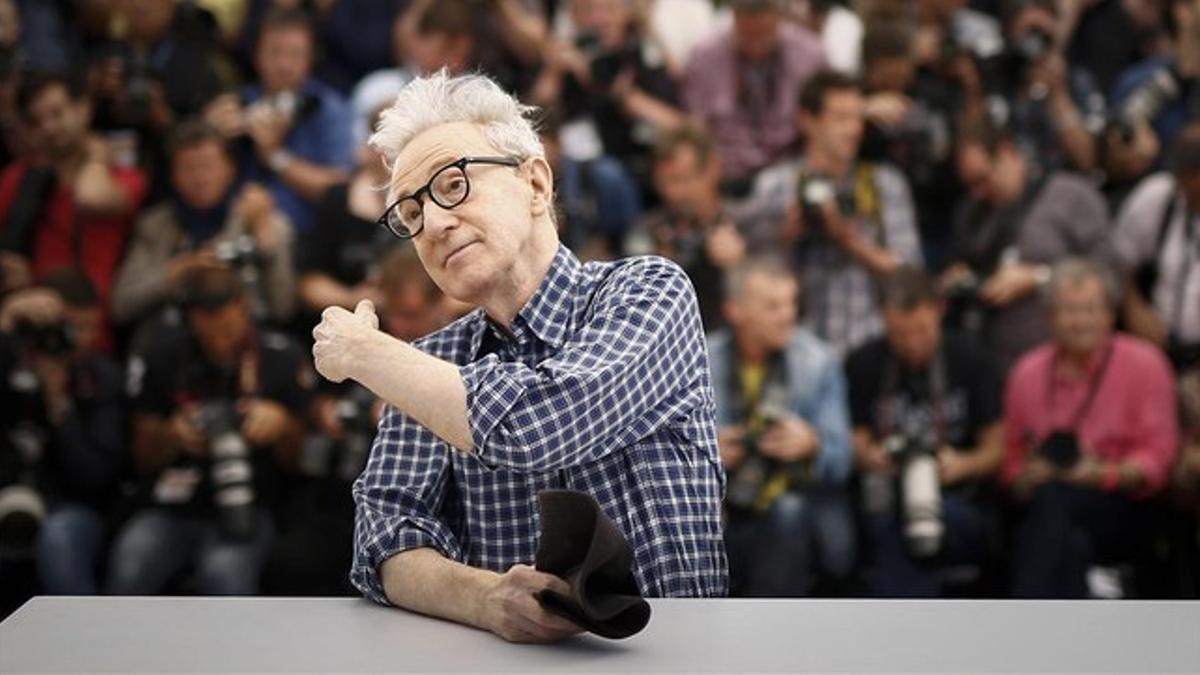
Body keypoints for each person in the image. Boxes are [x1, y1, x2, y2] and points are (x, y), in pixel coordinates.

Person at [310, 71, 728, 643]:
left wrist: (366, 352)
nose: (432, 224)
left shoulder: (651, 291)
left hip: (676, 656)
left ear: (534, 183)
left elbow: (537, 426)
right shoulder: (429, 361)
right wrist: (484, 600)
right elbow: (381, 542)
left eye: (452, 185)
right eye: (410, 215)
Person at [107, 265, 311, 596]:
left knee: (225, 574)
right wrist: (173, 435)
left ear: (244, 307)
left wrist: (281, 424)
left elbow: (303, 461)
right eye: (208, 327)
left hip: (253, 502)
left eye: (228, 326)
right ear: (189, 317)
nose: (219, 338)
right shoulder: (161, 354)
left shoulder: (280, 356)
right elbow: (140, 456)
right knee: (132, 560)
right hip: (175, 504)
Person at [1004, 258, 1178, 598]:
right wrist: (1029, 474)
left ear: (1110, 315)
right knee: (1065, 532)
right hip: (1049, 508)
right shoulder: (1027, 372)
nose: (1080, 321)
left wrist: (1100, 473)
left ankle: (1026, 621)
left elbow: (1158, 459)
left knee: (1056, 516)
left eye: (1090, 310)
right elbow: (1011, 463)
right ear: (1049, 318)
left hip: (1122, 503)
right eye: (1068, 311)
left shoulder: (1146, 364)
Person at [846, 266, 1005, 597]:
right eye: (898, 333)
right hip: (888, 497)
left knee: (920, 525)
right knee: (895, 524)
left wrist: (961, 464)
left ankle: (897, 628)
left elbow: (998, 448)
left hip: (958, 498)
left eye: (921, 330)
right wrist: (873, 457)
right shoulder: (864, 362)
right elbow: (855, 441)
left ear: (939, 311)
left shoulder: (972, 359)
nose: (911, 343)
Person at [747, 70, 923, 359]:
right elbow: (749, 284)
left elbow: (911, 278)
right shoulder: (775, 186)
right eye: (840, 118)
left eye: (857, 118)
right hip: (794, 351)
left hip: (870, 347)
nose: (853, 129)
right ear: (807, 120)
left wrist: (849, 241)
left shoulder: (884, 184)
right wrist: (784, 238)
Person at [708, 256, 855, 596]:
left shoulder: (818, 361)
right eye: (773, 306)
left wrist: (812, 445)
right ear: (735, 311)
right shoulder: (700, 358)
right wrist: (708, 453)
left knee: (788, 512)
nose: (788, 315)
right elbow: (667, 456)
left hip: (798, 506)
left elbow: (843, 459)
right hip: (725, 506)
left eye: (791, 303)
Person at [944, 118, 1111, 373]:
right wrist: (961, 279)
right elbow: (964, 270)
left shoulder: (1071, 195)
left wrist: (1038, 277)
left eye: (983, 179)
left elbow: (1110, 272)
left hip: (1069, 360)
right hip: (997, 362)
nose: (978, 192)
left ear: (1007, 153)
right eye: (971, 185)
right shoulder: (971, 211)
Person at [0, 70, 148, 351]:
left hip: (96, 335)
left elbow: (90, 197)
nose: (49, 128)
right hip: (37, 332)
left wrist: (95, 156)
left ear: (83, 109)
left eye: (57, 114)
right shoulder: (18, 181)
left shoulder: (123, 176)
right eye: (36, 121)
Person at [111, 119, 295, 342]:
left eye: (208, 166)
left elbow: (282, 308)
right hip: (175, 346)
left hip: (248, 342)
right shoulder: (154, 226)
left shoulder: (261, 219)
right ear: (172, 175)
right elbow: (121, 305)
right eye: (188, 168)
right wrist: (175, 274)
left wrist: (267, 246)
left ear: (230, 169)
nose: (199, 178)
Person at [0, 271, 124, 594]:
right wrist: (4, 323)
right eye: (73, 327)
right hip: (8, 493)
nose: (82, 339)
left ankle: (83, 641)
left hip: (70, 506)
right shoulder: (10, 359)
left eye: (91, 327)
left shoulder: (102, 378)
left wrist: (59, 404)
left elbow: (95, 476)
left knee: (59, 536)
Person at [204, 7, 355, 233]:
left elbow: (338, 188)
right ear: (257, 55)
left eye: (295, 55)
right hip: (232, 220)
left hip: (305, 234)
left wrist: (274, 156)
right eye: (274, 53)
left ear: (310, 59)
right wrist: (212, 139)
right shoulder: (237, 104)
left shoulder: (328, 109)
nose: (284, 65)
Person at [682, 0, 826, 191]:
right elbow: (696, 126)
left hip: (792, 170)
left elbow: (825, 114)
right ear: (734, 19)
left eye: (764, 35)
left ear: (779, 18)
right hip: (727, 175)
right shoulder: (705, 56)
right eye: (748, 36)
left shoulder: (810, 54)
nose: (757, 47)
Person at [626, 124, 755, 330]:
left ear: (712, 169)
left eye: (683, 179)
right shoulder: (647, 230)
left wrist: (740, 266)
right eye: (665, 182)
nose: (674, 193)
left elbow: (775, 291)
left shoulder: (746, 223)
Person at [1115, 122, 1200, 370]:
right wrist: (1133, 308)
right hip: (1162, 347)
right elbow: (1118, 260)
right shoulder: (1159, 196)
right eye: (1187, 182)